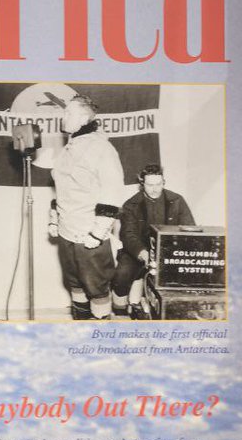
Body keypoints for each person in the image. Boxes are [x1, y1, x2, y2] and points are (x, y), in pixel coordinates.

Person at [49, 93, 125, 320]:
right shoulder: (69, 147)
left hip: (88, 233)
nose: (63, 116)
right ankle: (80, 329)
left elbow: (112, 192)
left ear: (83, 118)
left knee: (96, 288)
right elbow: (63, 187)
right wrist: (54, 218)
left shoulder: (101, 148)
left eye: (68, 112)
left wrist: (98, 232)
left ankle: (99, 339)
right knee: (75, 283)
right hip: (66, 231)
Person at [111, 164, 195, 317]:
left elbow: (189, 229)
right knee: (122, 274)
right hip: (137, 250)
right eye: (150, 185)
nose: (155, 189)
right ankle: (120, 309)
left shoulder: (177, 200)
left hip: (170, 252)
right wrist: (143, 253)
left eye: (158, 184)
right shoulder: (131, 205)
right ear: (142, 184)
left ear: (164, 182)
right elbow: (129, 235)